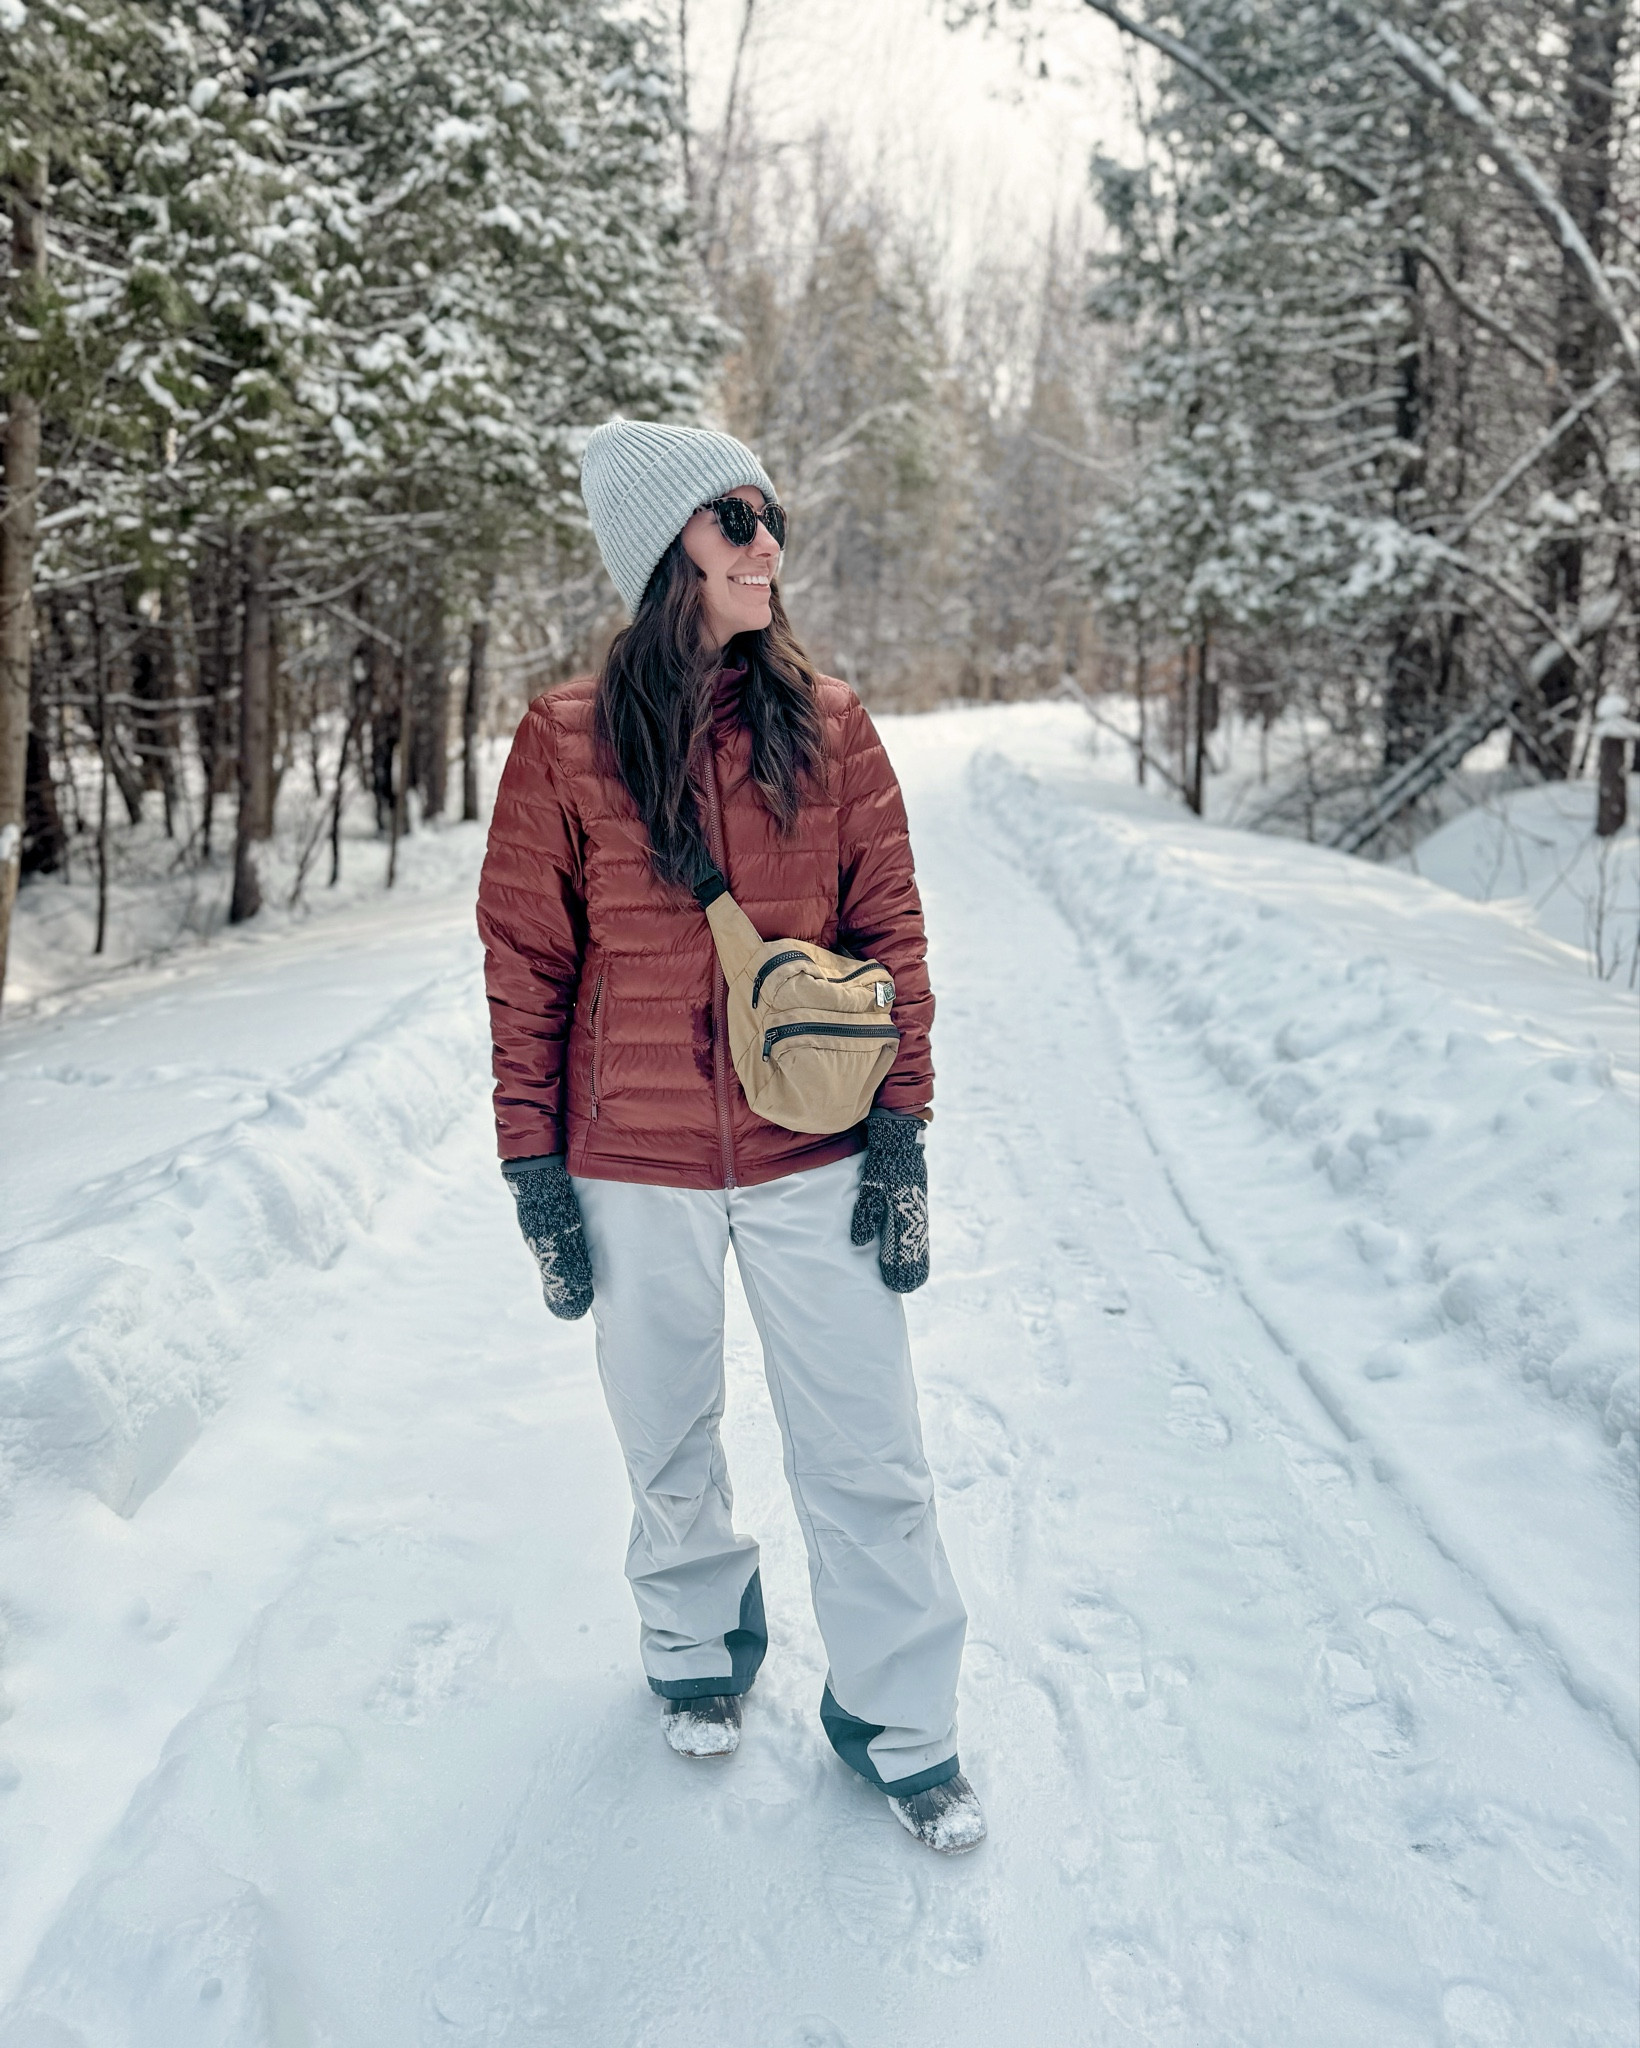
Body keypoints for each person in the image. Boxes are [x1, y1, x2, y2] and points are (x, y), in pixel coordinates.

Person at [476, 419, 984, 1854]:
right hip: (626, 1161)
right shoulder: (564, 742)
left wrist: (904, 1133)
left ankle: (902, 1717)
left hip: (811, 1155)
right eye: (737, 519)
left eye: (771, 518)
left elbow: (892, 936)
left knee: (869, 1448)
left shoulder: (832, 727)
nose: (771, 546)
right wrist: (533, 1168)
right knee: (665, 1426)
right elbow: (526, 967)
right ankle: (697, 1634)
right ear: (666, 549)